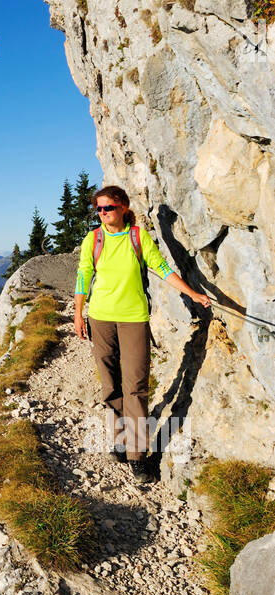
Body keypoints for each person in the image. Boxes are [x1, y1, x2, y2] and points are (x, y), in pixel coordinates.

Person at [73, 185, 211, 484]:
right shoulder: (93, 239)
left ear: (122, 206)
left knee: (135, 386)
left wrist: (192, 292)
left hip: (134, 319)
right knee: (110, 385)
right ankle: (118, 441)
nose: (103, 214)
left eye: (107, 208)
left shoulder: (137, 237)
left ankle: (137, 456)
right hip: (99, 318)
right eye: (98, 209)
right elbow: (84, 274)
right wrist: (78, 314)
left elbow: (161, 268)